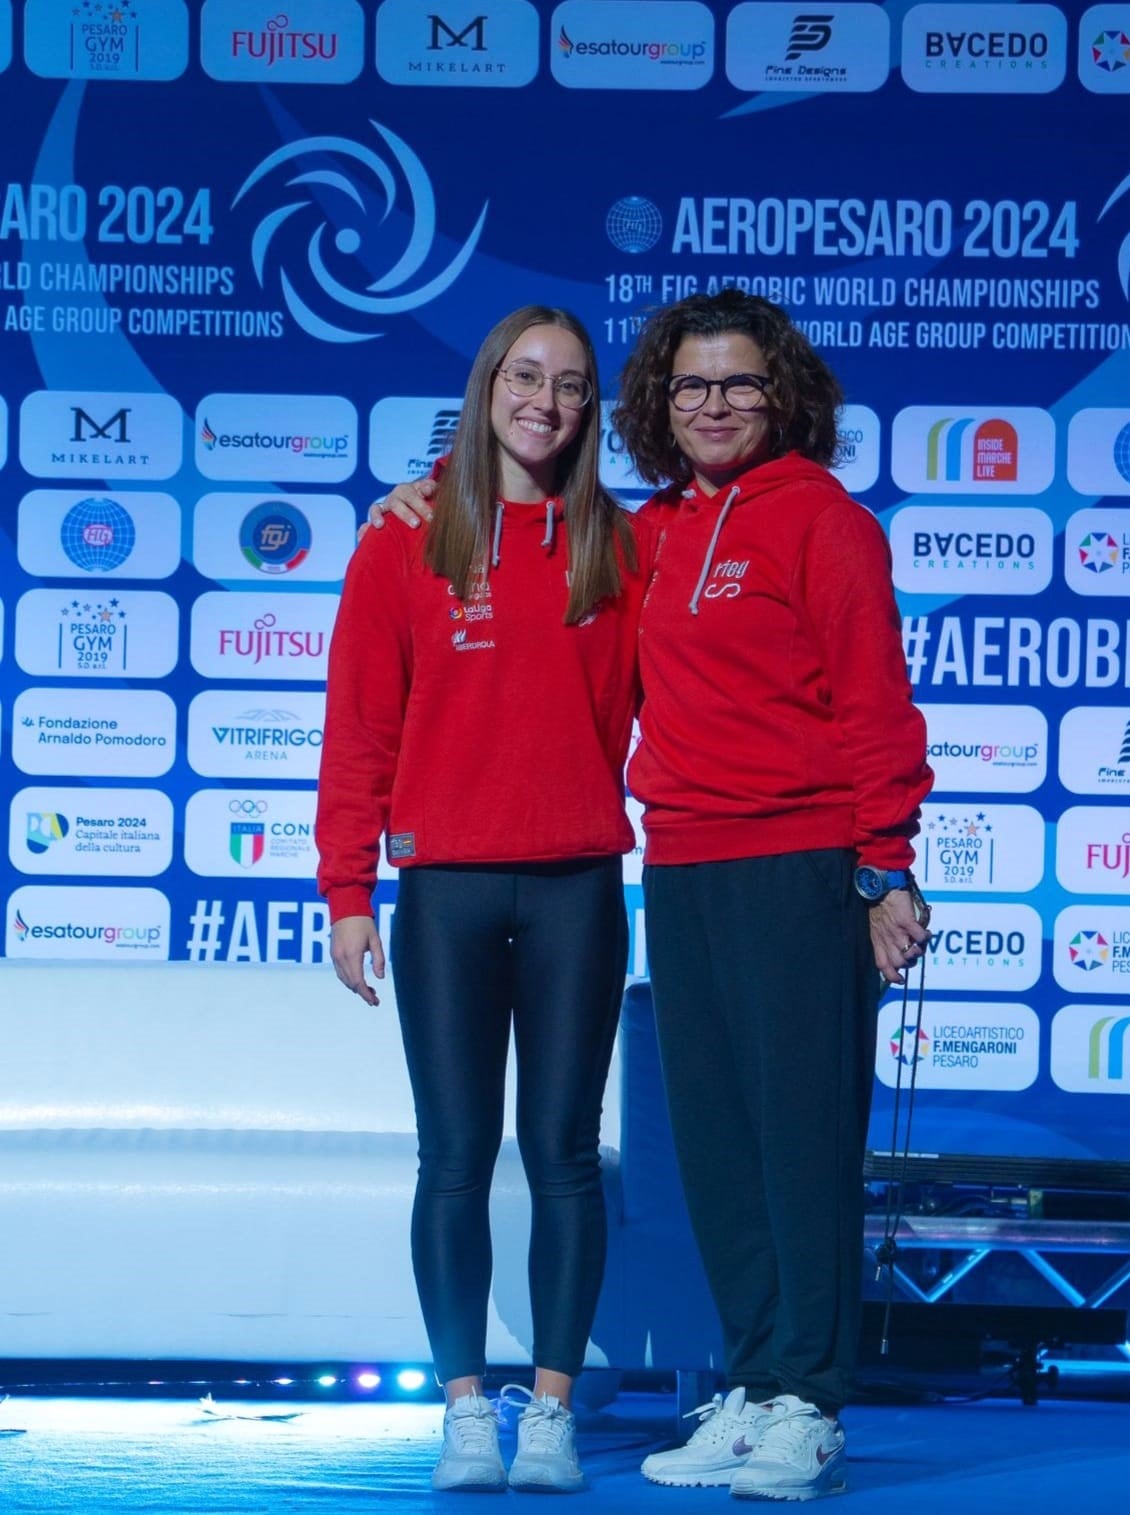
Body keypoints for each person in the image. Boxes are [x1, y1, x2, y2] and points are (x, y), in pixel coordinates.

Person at [370, 289, 933, 1502]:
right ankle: (754, 1379)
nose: (714, 405)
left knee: (800, 1140)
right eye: (690, 387)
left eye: (737, 384)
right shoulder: (653, 532)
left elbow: (878, 707)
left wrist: (885, 865)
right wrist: (417, 492)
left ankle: (811, 1399)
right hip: (680, 861)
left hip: (801, 860)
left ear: (781, 394)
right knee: (720, 1147)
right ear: (658, 407)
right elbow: (507, 551)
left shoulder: (823, 522)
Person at [316, 305, 650, 1495]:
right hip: (443, 888)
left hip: (576, 887)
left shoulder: (624, 545)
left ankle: (550, 1412)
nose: (545, 401)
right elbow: (359, 727)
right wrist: (345, 889)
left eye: (568, 384)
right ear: (487, 386)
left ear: (588, 407)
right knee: (452, 1155)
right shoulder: (405, 539)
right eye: (525, 376)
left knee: (562, 1153)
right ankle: (465, 1408)